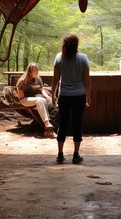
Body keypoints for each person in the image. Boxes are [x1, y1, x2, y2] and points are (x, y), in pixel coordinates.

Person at [51, 33, 91, 164]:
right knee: (77, 124)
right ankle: (76, 154)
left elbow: (56, 79)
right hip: (79, 95)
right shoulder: (83, 58)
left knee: (62, 124)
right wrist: (88, 95)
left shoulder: (59, 58)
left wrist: (53, 95)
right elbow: (87, 80)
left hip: (64, 96)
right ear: (76, 45)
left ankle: (60, 154)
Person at [16, 62, 53, 131]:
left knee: (46, 100)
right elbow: (21, 97)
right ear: (30, 71)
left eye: (37, 70)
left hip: (35, 98)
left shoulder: (38, 79)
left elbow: (41, 89)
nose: (37, 72)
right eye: (35, 70)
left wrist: (47, 97)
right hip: (24, 99)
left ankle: (51, 123)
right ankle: (47, 123)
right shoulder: (23, 80)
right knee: (40, 100)